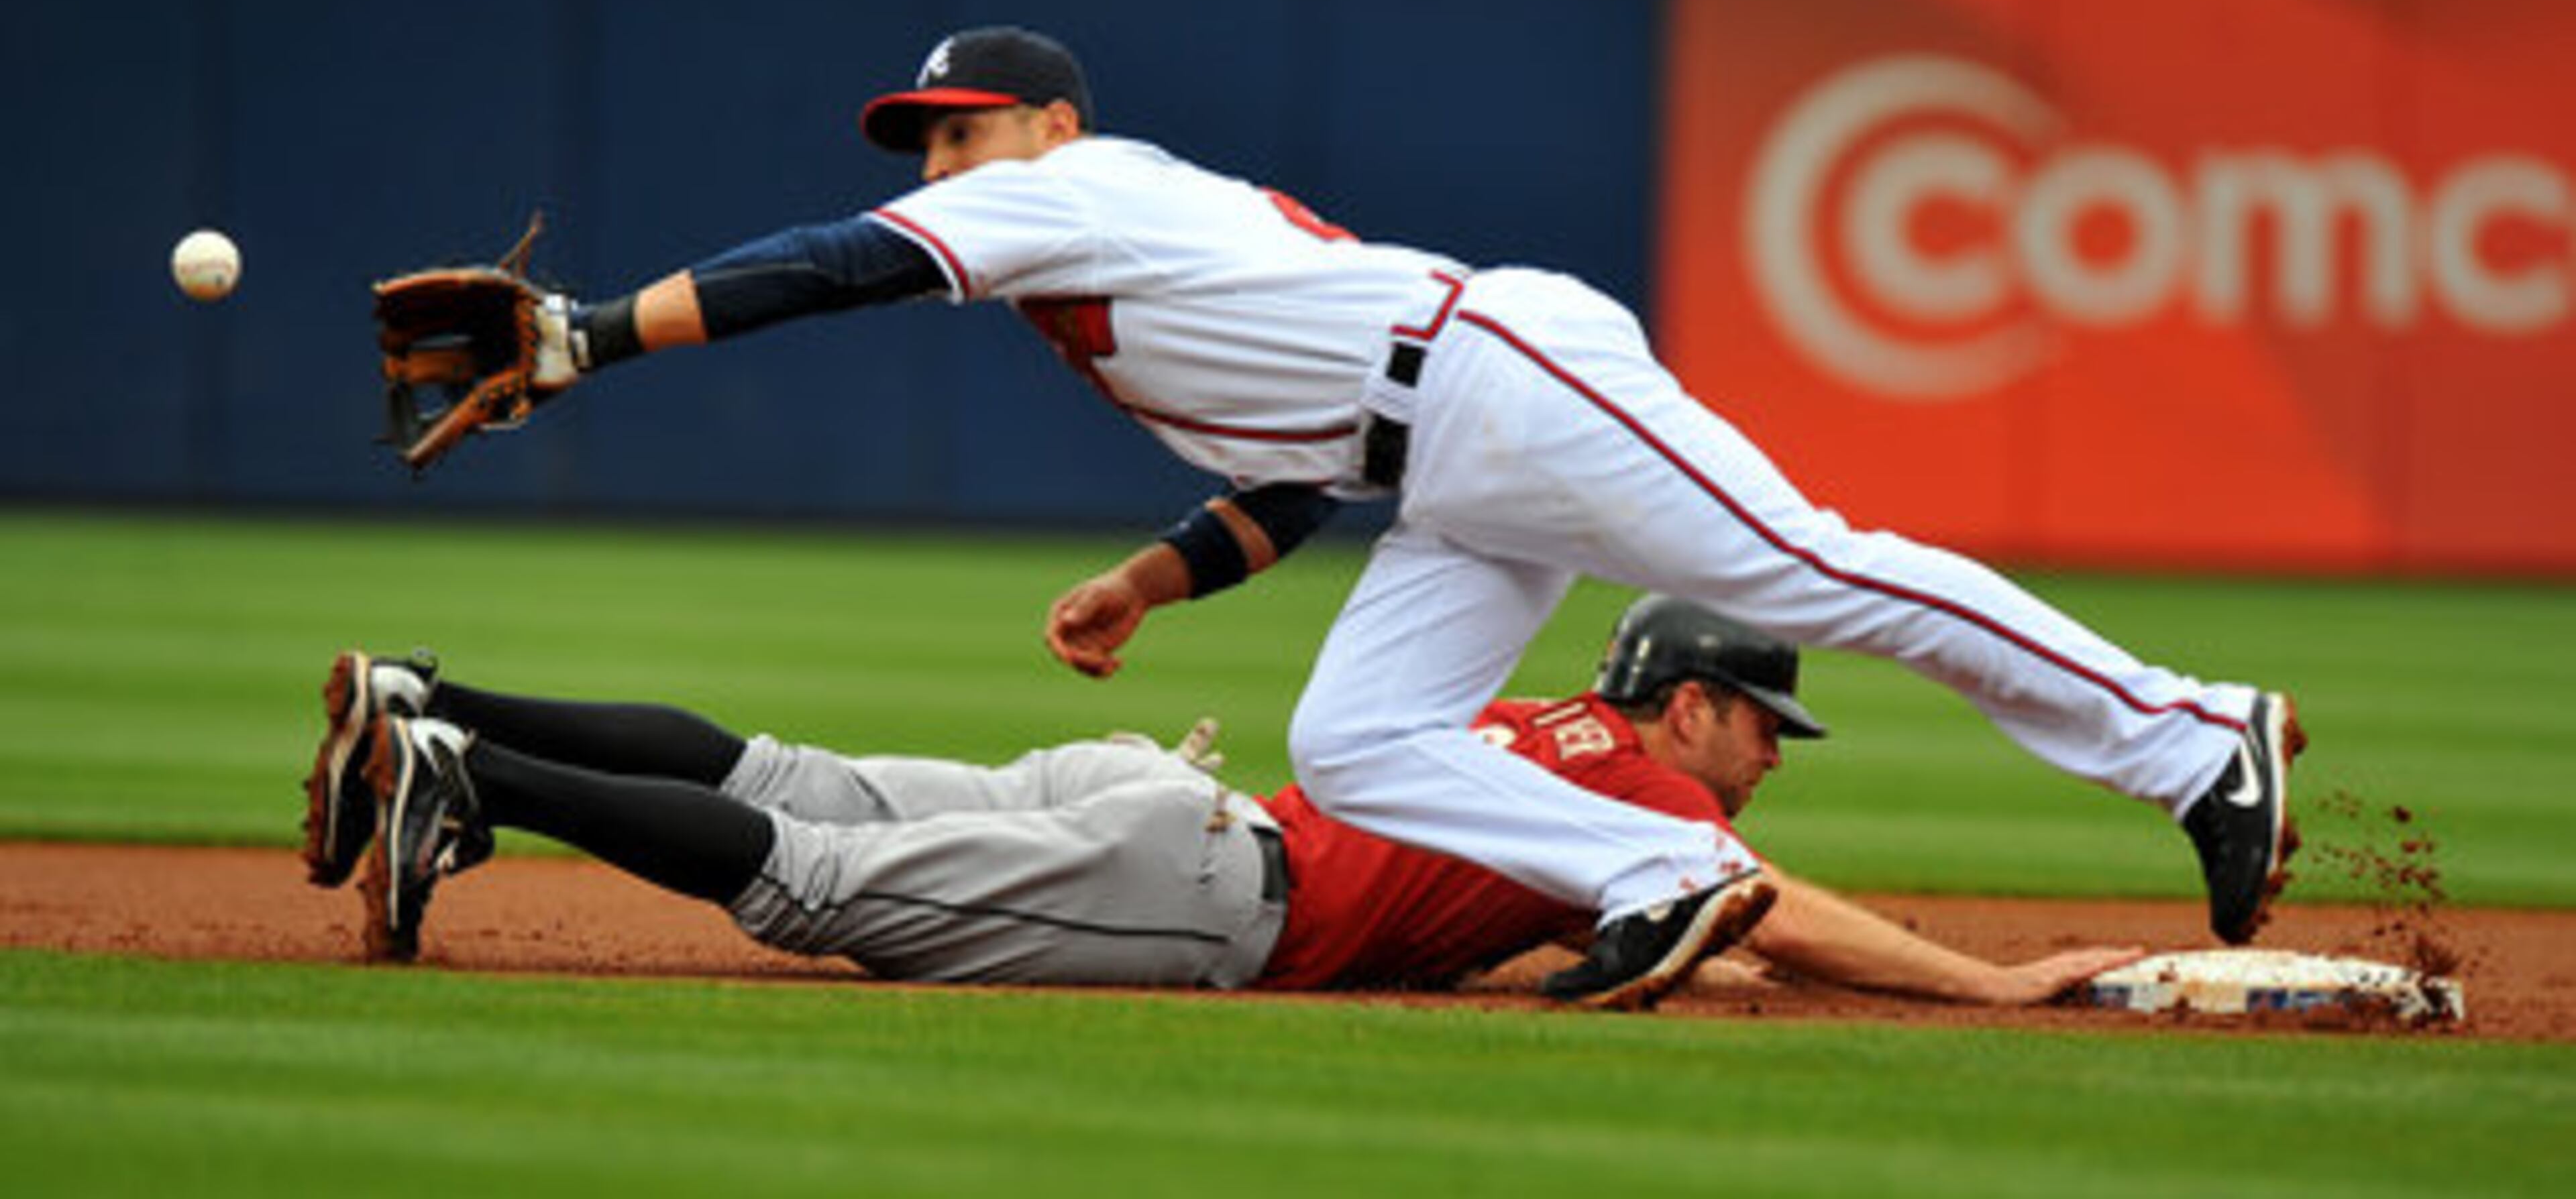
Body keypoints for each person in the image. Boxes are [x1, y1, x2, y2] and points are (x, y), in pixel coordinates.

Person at [458, 23, 2298, 1009]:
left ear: (1044, 123)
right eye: (926, 138)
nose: (942, 160)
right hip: (1441, 455)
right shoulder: (1100, 266)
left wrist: (582, 338)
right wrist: (1153, 580)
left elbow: (830, 269)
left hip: (1504, 372)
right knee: (1355, 735)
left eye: (959, 127)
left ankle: (2200, 737)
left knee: (1807, 565)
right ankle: (1661, 876)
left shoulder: (1068, 185)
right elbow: (1303, 476)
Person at [299, 595, 2145, 1004]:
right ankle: (468, 778)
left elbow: (1686, 946)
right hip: (1198, 886)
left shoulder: (1533, 727)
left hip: (1160, 799)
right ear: (1684, 704)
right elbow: (1763, 911)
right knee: (814, 878)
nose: (1760, 761)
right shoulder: (1660, 810)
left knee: (791, 771)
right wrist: (1995, 981)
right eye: (1758, 729)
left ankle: (425, 694)